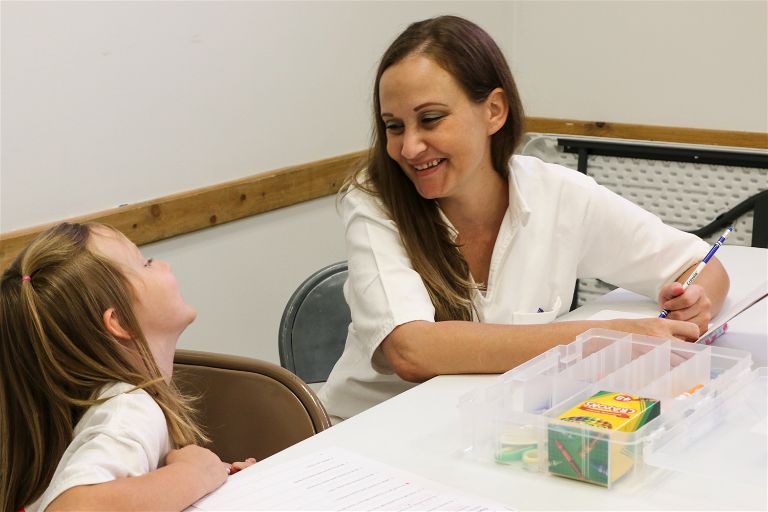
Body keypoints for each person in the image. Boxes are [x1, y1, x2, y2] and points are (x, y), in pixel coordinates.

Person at [318, 15, 729, 421]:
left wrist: (694, 304)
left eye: (430, 119)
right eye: (394, 126)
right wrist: (601, 339)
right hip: (369, 436)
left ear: (494, 110)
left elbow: (703, 265)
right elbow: (412, 350)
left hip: (481, 432)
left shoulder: (558, 195)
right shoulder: (373, 200)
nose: (409, 148)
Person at [0, 222, 255, 512]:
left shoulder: (94, 404)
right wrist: (197, 473)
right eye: (145, 263)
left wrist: (219, 482)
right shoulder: (129, 409)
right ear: (119, 321)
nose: (161, 264)